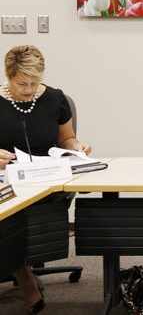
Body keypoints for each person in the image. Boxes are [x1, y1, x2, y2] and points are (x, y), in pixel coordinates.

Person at [0, 45, 92, 314]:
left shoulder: (55, 99)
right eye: (21, 84)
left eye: (34, 83)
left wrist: (78, 148)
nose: (28, 90)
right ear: (8, 76)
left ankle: (21, 272)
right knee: (9, 207)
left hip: (46, 179)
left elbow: (66, 138)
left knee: (15, 208)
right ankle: (24, 275)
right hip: (7, 177)